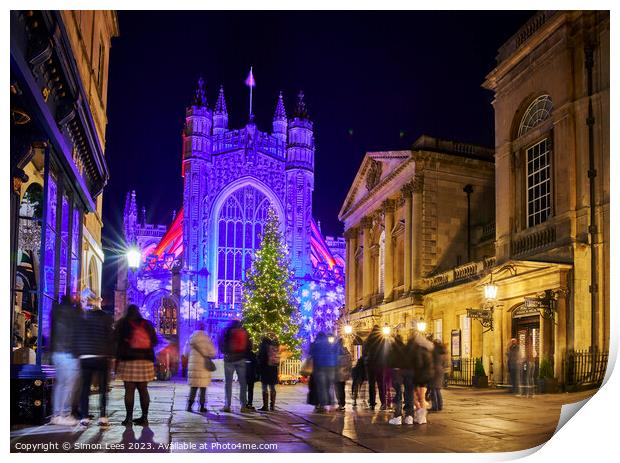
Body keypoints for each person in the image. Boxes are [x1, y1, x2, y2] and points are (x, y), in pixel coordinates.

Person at [115, 304, 158, 426]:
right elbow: (154, 341)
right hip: (145, 360)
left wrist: (117, 359)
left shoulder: (122, 323)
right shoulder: (147, 324)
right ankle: (144, 418)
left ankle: (128, 418)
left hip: (128, 360)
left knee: (129, 390)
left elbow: (117, 342)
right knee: (143, 390)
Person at [75, 303, 115, 427]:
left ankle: (84, 417)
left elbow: (78, 336)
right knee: (103, 388)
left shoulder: (84, 320)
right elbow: (111, 338)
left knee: (85, 388)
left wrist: (79, 352)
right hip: (101, 356)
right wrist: (111, 354)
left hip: (86, 356)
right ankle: (103, 416)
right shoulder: (106, 320)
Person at [50, 295, 81, 426]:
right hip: (69, 353)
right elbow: (77, 333)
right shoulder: (73, 314)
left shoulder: (56, 311)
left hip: (57, 352)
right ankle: (62, 414)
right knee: (69, 385)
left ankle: (58, 414)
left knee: (61, 384)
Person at [219, 320, 250, 413]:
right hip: (241, 359)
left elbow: (221, 342)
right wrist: (245, 354)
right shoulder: (244, 331)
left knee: (228, 383)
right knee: (243, 384)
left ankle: (227, 405)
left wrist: (225, 352)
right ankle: (243, 406)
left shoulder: (226, 331)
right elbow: (249, 345)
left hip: (229, 359)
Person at [186, 322, 216, 413]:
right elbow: (213, 352)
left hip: (194, 366)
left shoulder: (191, 338)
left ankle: (189, 406)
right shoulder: (207, 338)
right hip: (204, 367)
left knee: (193, 387)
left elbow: (185, 353)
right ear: (204, 328)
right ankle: (202, 407)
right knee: (203, 388)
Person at [408, 330, 434, 424]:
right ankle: (421, 416)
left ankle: (421, 416)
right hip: (425, 376)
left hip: (419, 376)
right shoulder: (427, 349)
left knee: (416, 397)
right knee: (420, 397)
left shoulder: (418, 350)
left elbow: (418, 364)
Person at [388, 334, 414, 425]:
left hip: (397, 371)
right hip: (409, 371)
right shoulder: (406, 348)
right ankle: (409, 416)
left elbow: (389, 362)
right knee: (409, 394)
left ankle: (398, 416)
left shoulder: (392, 349)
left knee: (397, 393)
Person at [309, 332, 337, 413]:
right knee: (330, 386)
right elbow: (334, 354)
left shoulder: (315, 344)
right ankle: (332, 404)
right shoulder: (329, 344)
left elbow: (311, 354)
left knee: (322, 388)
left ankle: (323, 406)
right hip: (331, 367)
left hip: (319, 367)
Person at [363, 325, 389, 410]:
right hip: (380, 365)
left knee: (371, 385)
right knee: (381, 384)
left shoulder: (367, 340)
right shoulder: (383, 340)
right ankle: (383, 403)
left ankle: (372, 402)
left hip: (370, 365)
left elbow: (364, 353)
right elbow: (387, 352)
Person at [257, 332, 280, 412]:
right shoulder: (274, 346)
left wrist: (259, 367)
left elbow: (261, 358)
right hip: (273, 369)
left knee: (264, 387)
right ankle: (272, 406)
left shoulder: (263, 346)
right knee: (272, 387)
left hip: (265, 369)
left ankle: (265, 406)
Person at [429, 338, 447, 412]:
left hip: (435, 370)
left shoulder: (434, 351)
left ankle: (435, 406)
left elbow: (430, 361)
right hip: (440, 370)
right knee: (438, 389)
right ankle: (440, 405)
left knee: (433, 389)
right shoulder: (442, 351)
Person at [334, 338, 352, 411]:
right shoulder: (346, 351)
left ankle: (340, 404)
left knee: (338, 389)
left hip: (337, 373)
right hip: (344, 373)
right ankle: (342, 403)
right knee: (342, 389)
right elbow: (349, 362)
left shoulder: (334, 351)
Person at [245, 342, 259, 410]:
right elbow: (256, 365)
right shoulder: (253, 355)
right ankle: (250, 403)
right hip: (251, 375)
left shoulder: (242, 355)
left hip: (243, 375)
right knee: (250, 390)